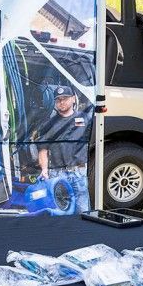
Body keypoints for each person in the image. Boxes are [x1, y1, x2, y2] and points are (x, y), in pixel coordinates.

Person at [36, 84, 92, 215]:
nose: (61, 102)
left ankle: (82, 235)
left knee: (83, 211)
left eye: (65, 98)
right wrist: (44, 170)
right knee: (61, 212)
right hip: (58, 174)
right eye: (58, 99)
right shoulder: (49, 124)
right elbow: (42, 150)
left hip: (79, 172)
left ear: (73, 99)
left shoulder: (86, 119)